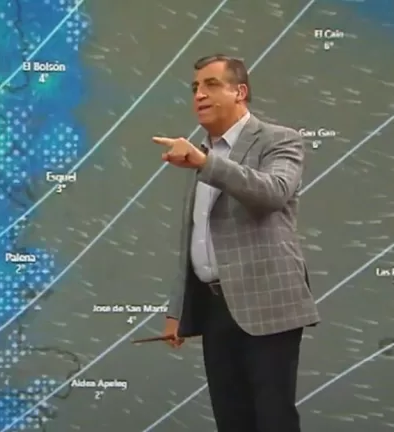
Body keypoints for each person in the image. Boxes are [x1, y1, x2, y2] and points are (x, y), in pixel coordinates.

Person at [152, 54, 320, 432]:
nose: (199, 94)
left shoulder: (278, 139)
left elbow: (273, 192)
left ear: (240, 92)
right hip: (215, 308)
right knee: (231, 420)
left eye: (211, 85)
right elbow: (194, 237)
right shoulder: (202, 153)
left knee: (273, 419)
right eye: (195, 87)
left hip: (267, 302)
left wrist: (205, 163)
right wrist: (177, 310)